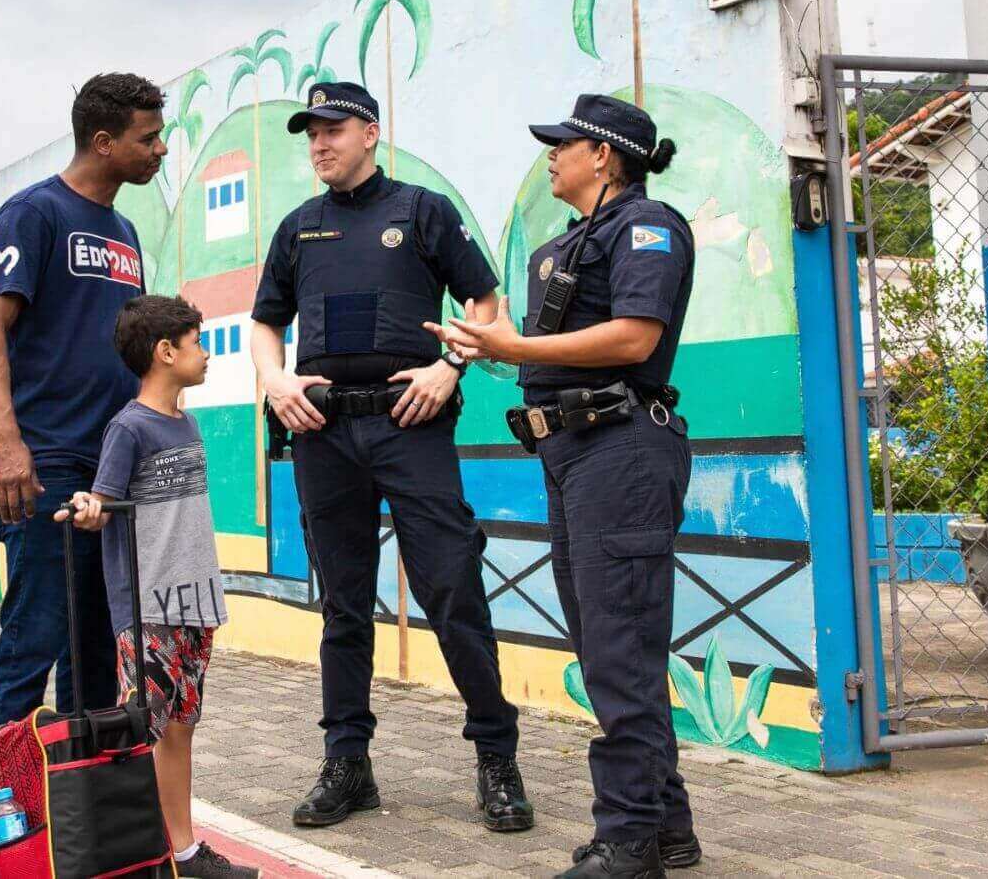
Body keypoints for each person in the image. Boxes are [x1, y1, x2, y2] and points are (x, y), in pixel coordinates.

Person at [249, 81, 532, 833]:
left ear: (370, 133)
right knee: (343, 606)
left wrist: (450, 371)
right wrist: (275, 381)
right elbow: (264, 324)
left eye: (333, 129)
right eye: (311, 132)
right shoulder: (297, 227)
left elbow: (485, 305)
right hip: (322, 433)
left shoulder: (421, 211)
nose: (319, 142)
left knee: (452, 593)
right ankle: (349, 765)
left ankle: (496, 758)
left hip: (412, 424)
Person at [427, 94, 698, 879]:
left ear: (604, 156)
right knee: (610, 646)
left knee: (618, 648)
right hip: (570, 452)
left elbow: (634, 336)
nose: (551, 155)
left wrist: (509, 340)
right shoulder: (563, 246)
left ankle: (628, 840)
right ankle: (666, 826)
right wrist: (489, 348)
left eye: (564, 145)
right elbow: (546, 354)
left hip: (622, 449)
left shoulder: (649, 227)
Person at [0, 72, 165, 871]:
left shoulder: (124, 233)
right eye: (149, 136)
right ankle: (1, 840)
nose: (159, 149)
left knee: (96, 661)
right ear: (104, 140)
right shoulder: (33, 212)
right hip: (44, 464)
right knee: (31, 651)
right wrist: (4, 439)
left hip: (111, 472)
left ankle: (81, 839)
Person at [57, 296, 257, 879]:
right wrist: (90, 509)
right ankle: (131, 852)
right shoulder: (129, 428)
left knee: (180, 728)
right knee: (138, 733)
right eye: (197, 343)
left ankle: (183, 850)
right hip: (149, 608)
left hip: (195, 605)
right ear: (166, 352)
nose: (205, 354)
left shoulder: (187, 423)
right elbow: (102, 499)